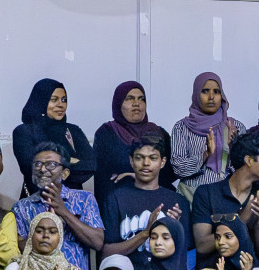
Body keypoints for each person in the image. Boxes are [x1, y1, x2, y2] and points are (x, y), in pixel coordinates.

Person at [12, 143, 104, 270]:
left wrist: (63, 211)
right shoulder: (21, 207)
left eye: (51, 164)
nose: (42, 169)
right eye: (37, 164)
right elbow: (19, 246)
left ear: (64, 173)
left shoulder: (84, 199)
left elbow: (97, 242)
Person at [189, 135, 259, 268]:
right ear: (249, 160)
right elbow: (202, 246)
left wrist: (258, 221)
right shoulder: (207, 193)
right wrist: (239, 221)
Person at [101, 139, 187, 260]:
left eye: (153, 158)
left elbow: (184, 256)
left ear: (163, 162)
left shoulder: (178, 201)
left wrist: (175, 229)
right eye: (139, 158)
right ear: (131, 161)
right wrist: (146, 233)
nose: (146, 163)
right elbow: (107, 253)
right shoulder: (116, 198)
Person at [93, 80, 166, 211]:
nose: (136, 104)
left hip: (156, 202)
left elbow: (169, 172)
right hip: (119, 203)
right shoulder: (106, 133)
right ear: (118, 104)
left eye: (141, 99)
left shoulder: (158, 133)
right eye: (129, 99)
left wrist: (134, 176)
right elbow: (102, 180)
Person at [12, 79, 95, 194]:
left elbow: (91, 166)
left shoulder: (73, 130)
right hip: (37, 202)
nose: (61, 105)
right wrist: (70, 160)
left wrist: (52, 164)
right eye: (54, 100)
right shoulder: (24, 131)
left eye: (64, 100)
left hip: (72, 203)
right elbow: (31, 169)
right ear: (41, 101)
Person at [170, 72, 244, 198]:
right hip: (191, 197)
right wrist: (205, 155)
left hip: (225, 198)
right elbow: (178, 169)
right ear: (196, 95)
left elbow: (245, 169)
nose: (211, 97)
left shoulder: (234, 127)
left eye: (216, 91)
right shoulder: (181, 128)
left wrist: (234, 149)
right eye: (205, 91)